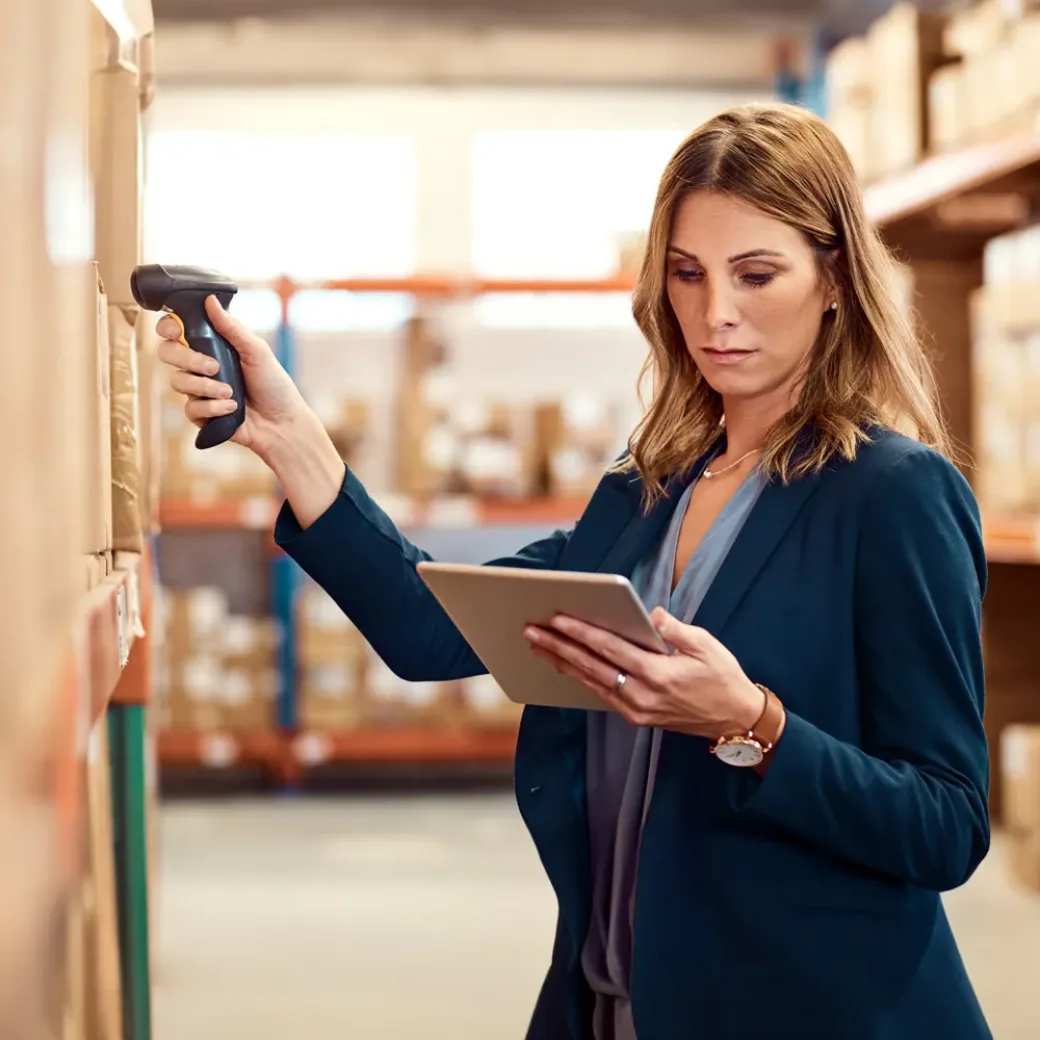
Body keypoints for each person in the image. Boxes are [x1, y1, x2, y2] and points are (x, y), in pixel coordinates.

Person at [156, 102, 992, 1040]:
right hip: (617, 1007)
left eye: (757, 274)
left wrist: (751, 723)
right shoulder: (650, 491)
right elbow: (431, 629)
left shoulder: (892, 495)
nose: (715, 313)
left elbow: (946, 823)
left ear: (835, 278)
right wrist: (295, 440)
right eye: (687, 274)